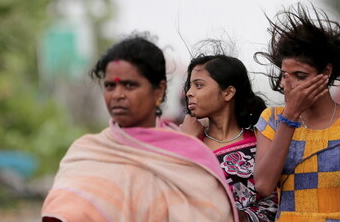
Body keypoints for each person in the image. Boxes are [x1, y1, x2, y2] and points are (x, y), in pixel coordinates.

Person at [41, 34, 238, 222]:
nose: (117, 95)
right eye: (110, 86)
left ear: (159, 90)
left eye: (129, 85)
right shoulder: (86, 153)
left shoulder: (188, 155)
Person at [253, 3, 340, 222]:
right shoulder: (272, 120)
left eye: (301, 75)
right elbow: (264, 185)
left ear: (326, 72)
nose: (290, 84)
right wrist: (290, 117)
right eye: (285, 75)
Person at [180, 54, 278, 222]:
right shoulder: (188, 141)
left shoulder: (261, 141)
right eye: (190, 86)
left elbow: (273, 205)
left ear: (228, 92)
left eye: (198, 85)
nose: (189, 93)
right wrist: (187, 144)